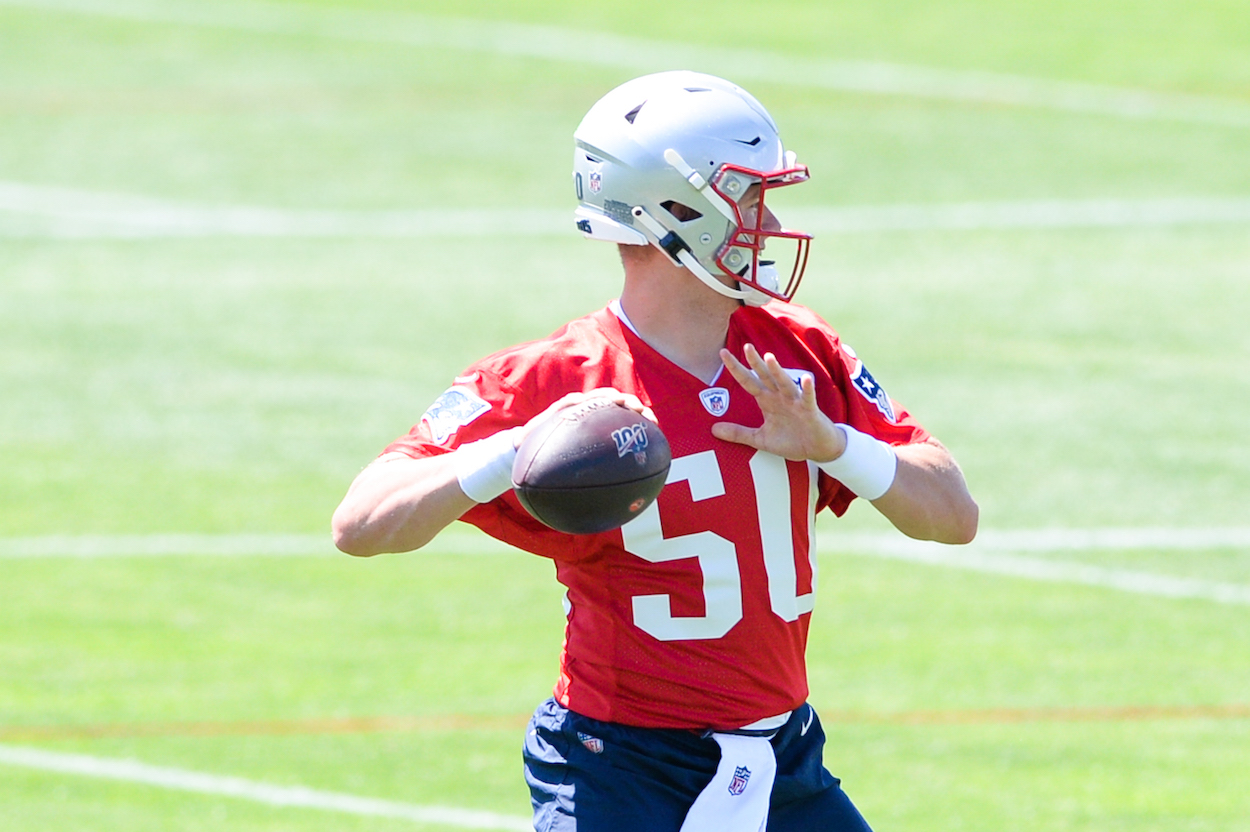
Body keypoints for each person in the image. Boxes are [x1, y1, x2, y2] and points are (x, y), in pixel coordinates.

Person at [332, 70, 977, 832]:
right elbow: (361, 523)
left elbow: (952, 515)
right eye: (747, 199)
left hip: (786, 761)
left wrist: (834, 445)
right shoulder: (558, 379)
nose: (765, 222)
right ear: (676, 210)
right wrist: (516, 448)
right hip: (619, 766)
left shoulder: (797, 355)